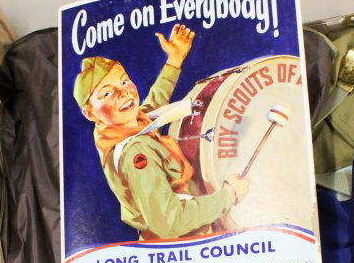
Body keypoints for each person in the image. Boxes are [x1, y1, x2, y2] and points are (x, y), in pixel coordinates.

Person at [73, 23, 249, 240]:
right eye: (107, 93)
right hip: (181, 243)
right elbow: (170, 222)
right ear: (90, 113)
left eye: (125, 81)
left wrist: (174, 61)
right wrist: (228, 196)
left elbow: (152, 105)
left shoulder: (118, 128)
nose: (123, 93)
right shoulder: (137, 153)